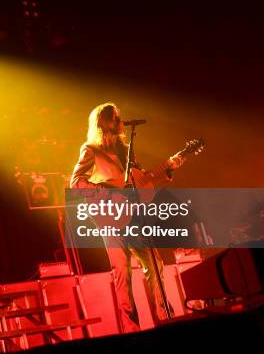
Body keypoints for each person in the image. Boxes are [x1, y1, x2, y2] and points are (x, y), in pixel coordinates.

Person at [70, 102, 184, 332]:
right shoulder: (91, 149)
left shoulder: (125, 151)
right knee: (122, 271)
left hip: (132, 217)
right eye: (117, 117)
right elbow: (75, 183)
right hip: (109, 216)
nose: (122, 121)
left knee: (154, 263)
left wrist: (169, 168)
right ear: (106, 123)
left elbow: (141, 184)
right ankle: (132, 328)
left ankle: (165, 316)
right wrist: (107, 193)